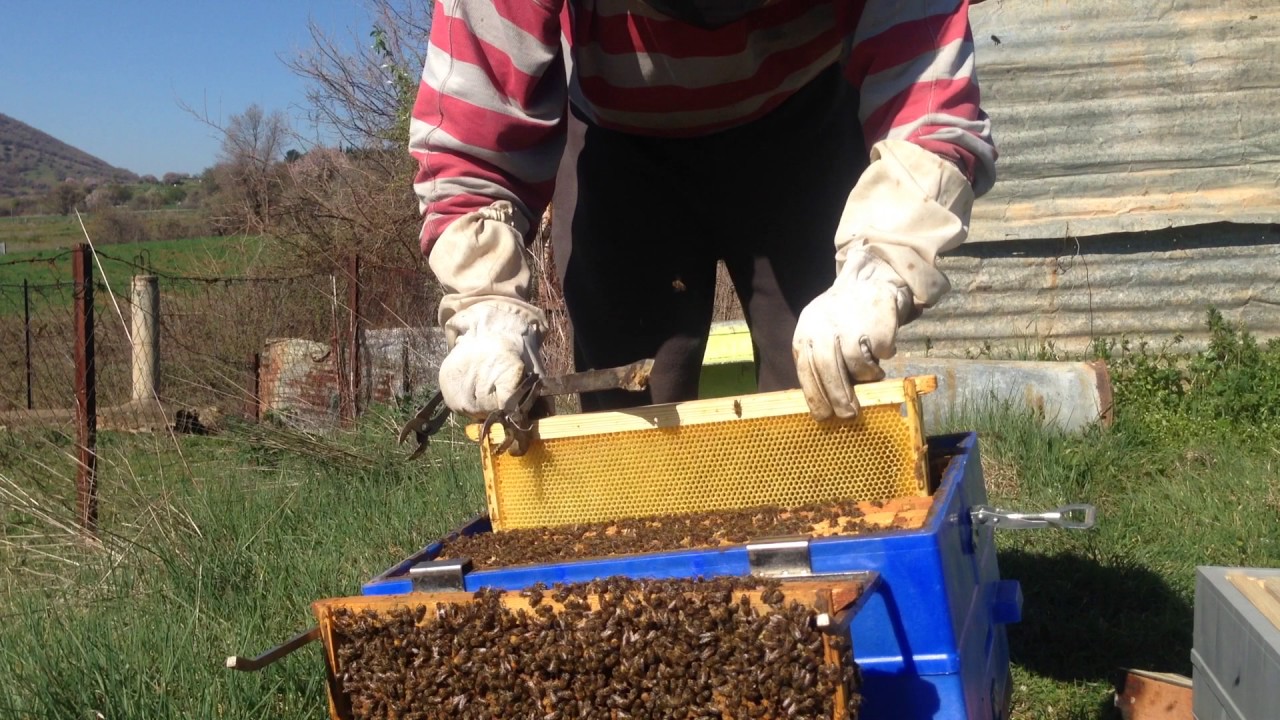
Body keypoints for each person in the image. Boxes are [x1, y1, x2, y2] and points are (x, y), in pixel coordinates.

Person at [410, 0, 995, 421]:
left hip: (803, 120)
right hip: (621, 142)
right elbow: (473, 131)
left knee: (816, 398)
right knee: (630, 423)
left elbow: (930, 102)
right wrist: (486, 303)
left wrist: (884, 263)